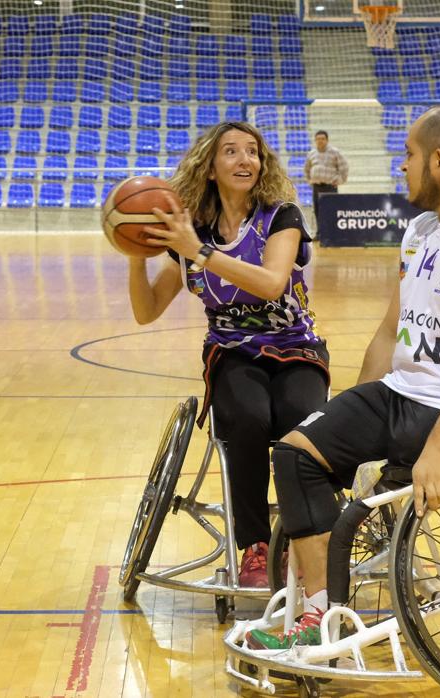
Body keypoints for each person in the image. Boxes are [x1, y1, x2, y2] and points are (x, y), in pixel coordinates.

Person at [249, 105, 440, 649]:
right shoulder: (420, 229)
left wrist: (438, 449)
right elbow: (393, 330)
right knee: (297, 453)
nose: (401, 167)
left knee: (355, 510)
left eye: (408, 156)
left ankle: (327, 618)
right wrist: (347, 415)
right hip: (404, 395)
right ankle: (319, 616)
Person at [120, 121, 328, 589]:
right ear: (211, 168)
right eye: (231, 152)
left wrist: (199, 252)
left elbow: (272, 282)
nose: (244, 160)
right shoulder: (192, 232)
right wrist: (136, 254)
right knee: (247, 419)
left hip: (295, 346)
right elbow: (147, 311)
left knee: (302, 421)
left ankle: (305, 540)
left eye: (252, 152)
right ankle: (255, 546)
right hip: (232, 352)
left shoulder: (282, 216)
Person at [303, 130, 349, 234]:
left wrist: (340, 180)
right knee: (318, 211)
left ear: (327, 140)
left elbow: (344, 167)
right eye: (318, 139)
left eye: (323, 139)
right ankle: (320, 234)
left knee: (331, 211)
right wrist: (310, 180)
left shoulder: (335, 152)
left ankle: (332, 234)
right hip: (317, 187)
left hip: (330, 187)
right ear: (315, 140)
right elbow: (306, 169)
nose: (320, 141)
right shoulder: (311, 154)